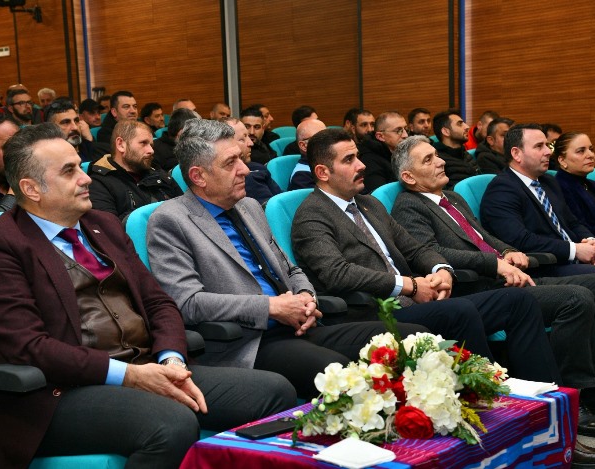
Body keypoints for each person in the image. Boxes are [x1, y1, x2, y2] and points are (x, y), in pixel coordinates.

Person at [0, 123, 296, 468]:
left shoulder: (103, 225)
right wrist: (129, 375)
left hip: (147, 366)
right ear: (31, 188)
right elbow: (28, 347)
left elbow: (158, 303)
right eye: (69, 171)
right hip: (58, 394)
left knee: (274, 392)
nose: (86, 178)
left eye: (80, 166)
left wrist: (171, 360)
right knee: (171, 424)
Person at [146, 119, 425, 398]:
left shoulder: (249, 206)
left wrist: (306, 297)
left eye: (241, 158)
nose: (245, 169)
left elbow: (290, 270)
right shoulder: (170, 221)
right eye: (231, 163)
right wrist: (271, 307)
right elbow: (188, 303)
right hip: (250, 341)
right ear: (198, 176)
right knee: (342, 376)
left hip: (299, 327)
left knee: (413, 340)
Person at [390, 135, 595, 440]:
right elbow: (432, 253)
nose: (441, 161)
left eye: (437, 155)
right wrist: (493, 263)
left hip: (509, 277)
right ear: (409, 177)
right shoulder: (409, 206)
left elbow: (482, 236)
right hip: (479, 288)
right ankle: (572, 394)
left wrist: (507, 251)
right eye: (428, 159)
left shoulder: (452, 198)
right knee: (576, 299)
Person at [291, 128, 560, 384]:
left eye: (358, 156)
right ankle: (492, 396)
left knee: (518, 301)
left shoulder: (369, 203)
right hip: (373, 313)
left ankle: (547, 397)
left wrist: (441, 269)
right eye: (349, 160)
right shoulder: (312, 214)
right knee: (460, 310)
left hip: (415, 303)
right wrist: (409, 285)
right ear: (323, 172)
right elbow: (338, 273)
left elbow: (416, 249)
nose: (361, 165)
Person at [480, 123, 595, 276]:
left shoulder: (548, 181)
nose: (548, 151)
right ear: (516, 154)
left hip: (574, 261)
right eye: (539, 146)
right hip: (545, 267)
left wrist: (590, 241)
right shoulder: (501, 189)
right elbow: (520, 240)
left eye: (547, 145)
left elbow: (572, 222)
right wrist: (574, 250)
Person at [89, 120, 182, 222]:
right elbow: (110, 228)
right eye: (143, 143)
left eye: (151, 145)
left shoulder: (158, 173)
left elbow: (185, 209)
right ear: (121, 145)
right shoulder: (99, 184)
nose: (151, 151)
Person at [554, 131, 595, 247]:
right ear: (562, 160)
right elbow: (582, 228)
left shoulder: (590, 184)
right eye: (581, 151)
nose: (590, 155)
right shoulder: (561, 187)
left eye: (591, 149)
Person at [224, 117, 281, 204]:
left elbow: (281, 197)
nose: (251, 143)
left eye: (247, 137)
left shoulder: (258, 167)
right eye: (242, 139)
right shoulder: (242, 179)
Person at [357, 111, 407, 192]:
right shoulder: (369, 161)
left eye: (406, 129)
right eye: (398, 131)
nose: (405, 135)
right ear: (380, 136)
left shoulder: (404, 152)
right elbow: (379, 195)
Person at [431, 109, 480, 189]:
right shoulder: (437, 161)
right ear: (446, 131)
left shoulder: (465, 154)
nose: (467, 127)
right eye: (460, 124)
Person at [288, 118, 327, 190]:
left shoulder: (328, 163)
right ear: (303, 146)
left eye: (327, 137)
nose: (329, 142)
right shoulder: (301, 177)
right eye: (320, 138)